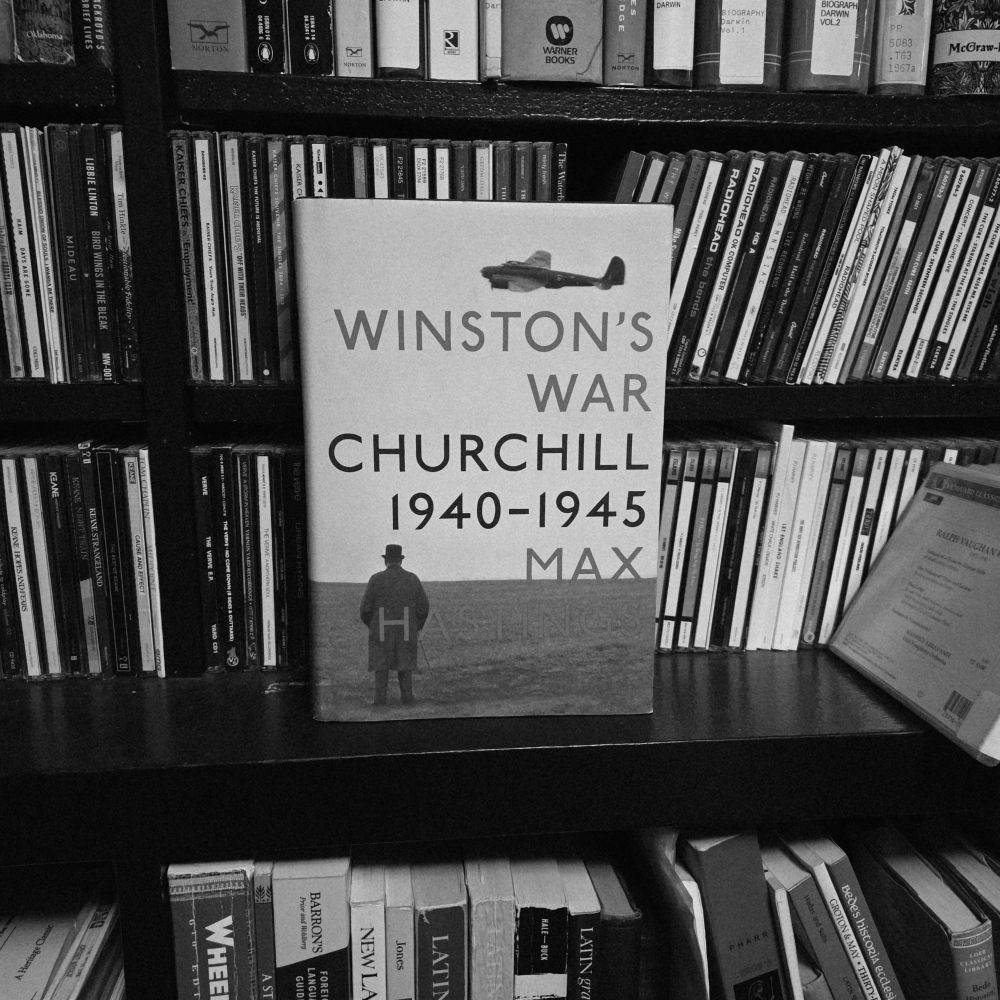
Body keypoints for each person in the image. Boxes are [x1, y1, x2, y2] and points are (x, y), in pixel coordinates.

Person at [359, 543, 430, 706]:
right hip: (406, 628)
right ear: (401, 560)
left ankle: (380, 700)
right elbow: (423, 607)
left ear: (386, 560)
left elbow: (365, 610)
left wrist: (374, 625)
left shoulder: (376, 579)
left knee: (381, 664)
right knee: (405, 662)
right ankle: (407, 698)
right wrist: (415, 626)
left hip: (381, 629)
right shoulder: (412, 579)